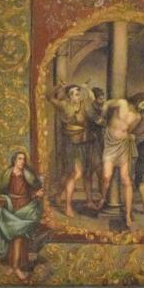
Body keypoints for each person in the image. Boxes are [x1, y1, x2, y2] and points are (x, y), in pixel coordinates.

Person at [47, 83, 97, 216]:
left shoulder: (84, 104)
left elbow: (93, 100)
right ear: (69, 96)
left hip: (86, 142)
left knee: (87, 172)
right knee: (75, 173)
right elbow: (50, 97)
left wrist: (86, 88)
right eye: (74, 94)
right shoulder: (64, 105)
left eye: (78, 93)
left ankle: (89, 201)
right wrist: (59, 87)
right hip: (72, 144)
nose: (77, 96)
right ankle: (67, 206)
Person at [0, 149, 44, 279]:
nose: (22, 161)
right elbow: (2, 190)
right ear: (14, 160)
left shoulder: (27, 175)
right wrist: (4, 199)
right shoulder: (7, 174)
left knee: (19, 237)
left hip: (25, 206)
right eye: (20, 159)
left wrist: (37, 194)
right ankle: (12, 265)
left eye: (24, 159)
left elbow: (32, 191)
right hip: (11, 206)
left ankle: (16, 267)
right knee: (12, 236)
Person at [96, 96, 142, 228]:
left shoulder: (137, 117)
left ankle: (127, 214)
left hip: (122, 146)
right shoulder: (122, 103)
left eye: (143, 105)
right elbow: (107, 104)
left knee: (126, 180)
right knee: (106, 176)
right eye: (141, 103)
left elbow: (129, 130)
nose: (141, 106)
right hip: (110, 144)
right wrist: (103, 116)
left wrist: (126, 133)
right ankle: (103, 198)